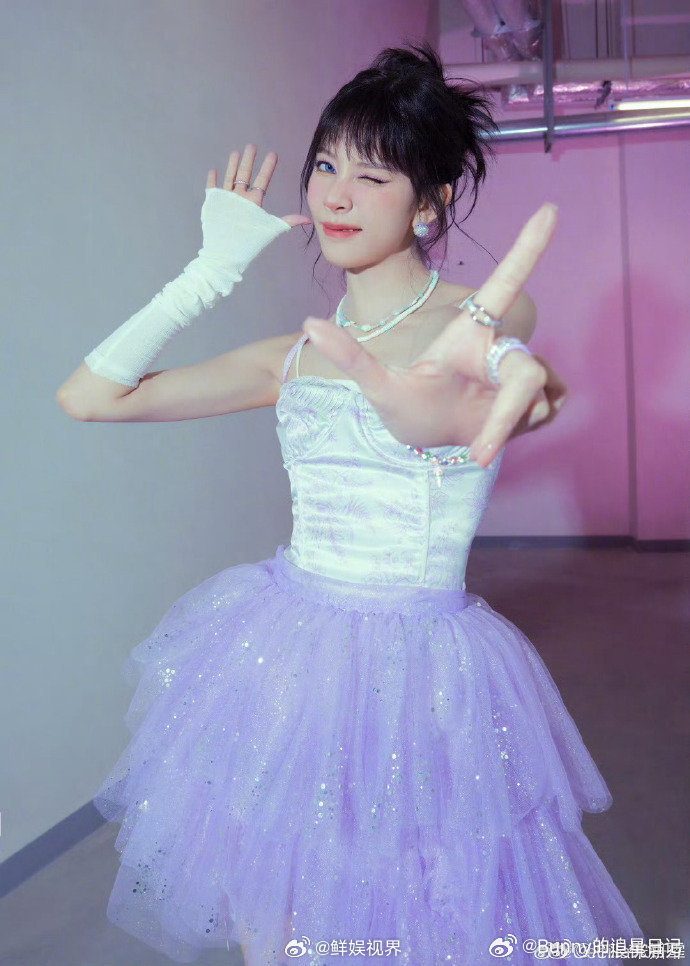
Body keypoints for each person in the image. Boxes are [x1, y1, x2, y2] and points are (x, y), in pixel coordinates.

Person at [57, 41, 643, 966]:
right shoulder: (293, 356)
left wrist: (493, 392)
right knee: (277, 916)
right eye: (326, 165)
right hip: (288, 660)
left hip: (425, 673)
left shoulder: (477, 322)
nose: (336, 195)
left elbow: (509, 360)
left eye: (371, 176)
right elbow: (91, 397)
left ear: (430, 203)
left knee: (419, 910)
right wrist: (206, 275)